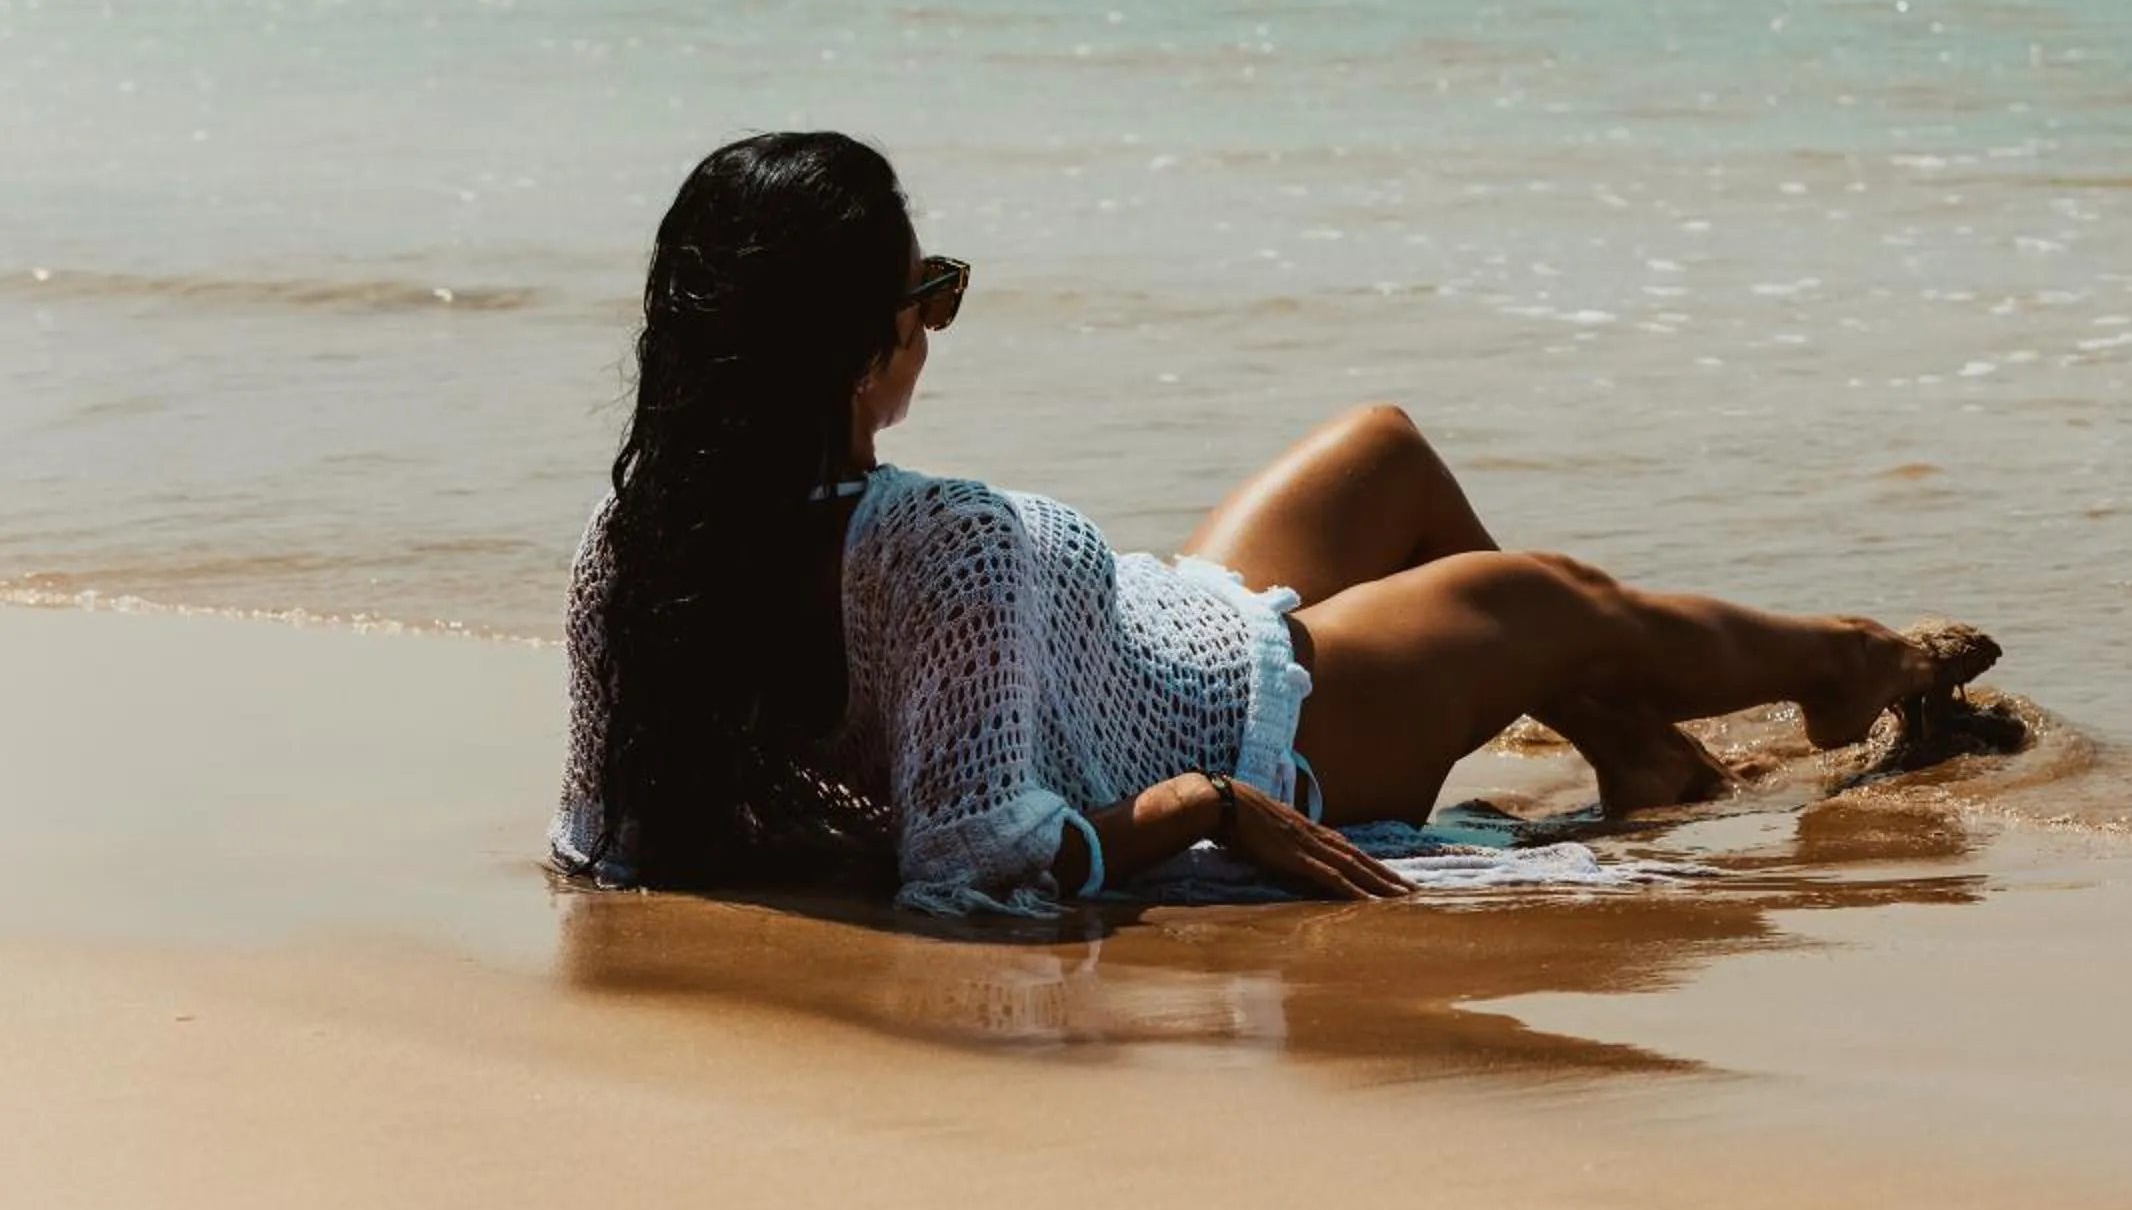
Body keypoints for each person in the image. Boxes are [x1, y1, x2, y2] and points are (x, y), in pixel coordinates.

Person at [551, 132, 1998, 914]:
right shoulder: (943, 547)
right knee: (1549, 598)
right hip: (1263, 721)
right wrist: (1198, 806)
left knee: (1381, 448)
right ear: (865, 349)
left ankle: (1635, 744)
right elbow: (978, 858)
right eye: (927, 297)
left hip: (1173, 629)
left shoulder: (635, 551)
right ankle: (1849, 663)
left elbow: (599, 831)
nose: (936, 324)